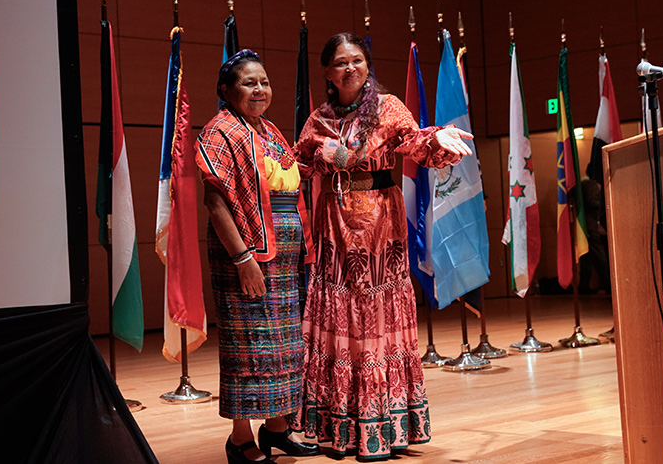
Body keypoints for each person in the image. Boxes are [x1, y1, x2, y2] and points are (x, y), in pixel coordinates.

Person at [292, 33, 473, 460]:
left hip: (379, 220)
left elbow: (415, 140)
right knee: (338, 310)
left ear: (367, 65)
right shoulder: (318, 117)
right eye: (340, 62)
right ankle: (336, 425)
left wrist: (435, 141)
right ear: (327, 72)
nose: (349, 68)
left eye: (356, 60)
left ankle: (385, 424)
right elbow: (297, 161)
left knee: (377, 311)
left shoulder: (388, 108)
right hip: (333, 218)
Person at [196, 49, 320, 464]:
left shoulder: (269, 130)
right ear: (225, 90)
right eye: (249, 83)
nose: (260, 90)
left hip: (283, 259)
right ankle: (240, 440)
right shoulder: (219, 131)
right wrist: (243, 259)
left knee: (283, 347)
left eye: (264, 82)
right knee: (248, 348)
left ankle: (279, 428)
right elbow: (215, 203)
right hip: (246, 256)